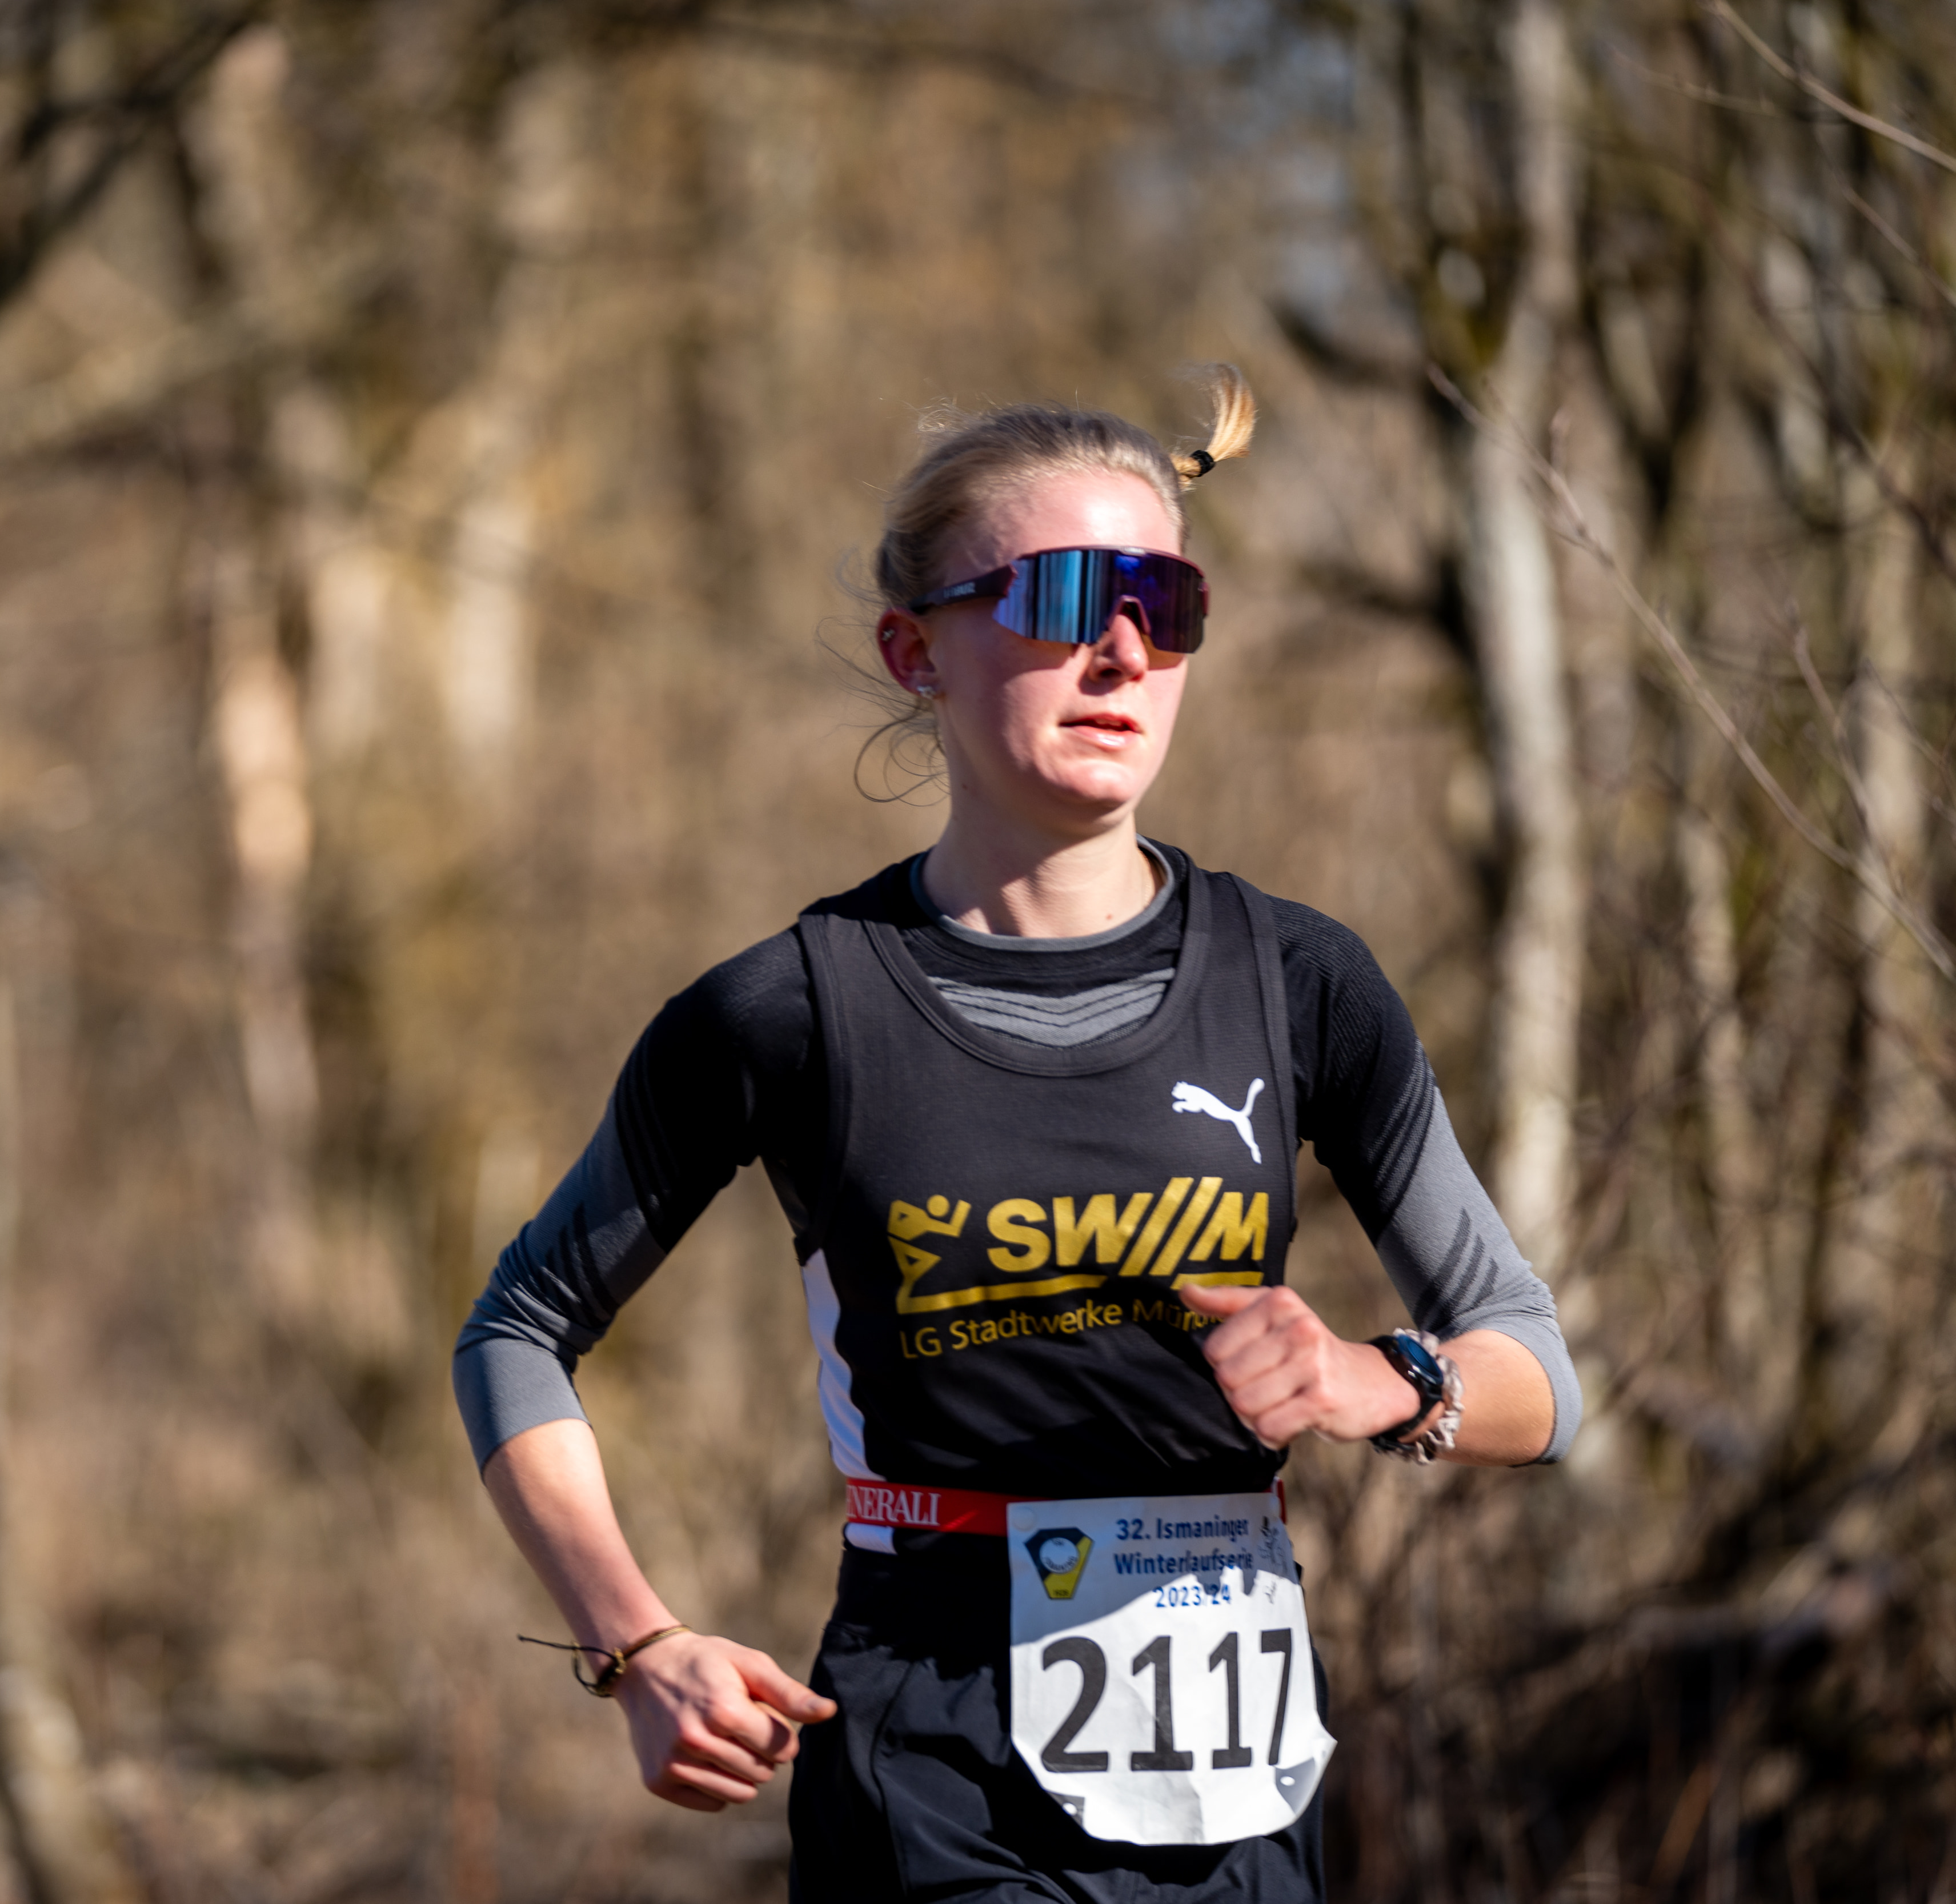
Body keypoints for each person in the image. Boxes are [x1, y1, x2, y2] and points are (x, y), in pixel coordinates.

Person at [451, 367, 1581, 1901]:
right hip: (935, 1770)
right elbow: (518, 1329)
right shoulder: (789, 1012)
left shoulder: (1303, 981)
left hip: (1241, 1789)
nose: (1123, 652)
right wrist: (635, 1644)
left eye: (1166, 604)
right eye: (1061, 599)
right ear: (913, 649)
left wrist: (1378, 1380)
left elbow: (1538, 1372)